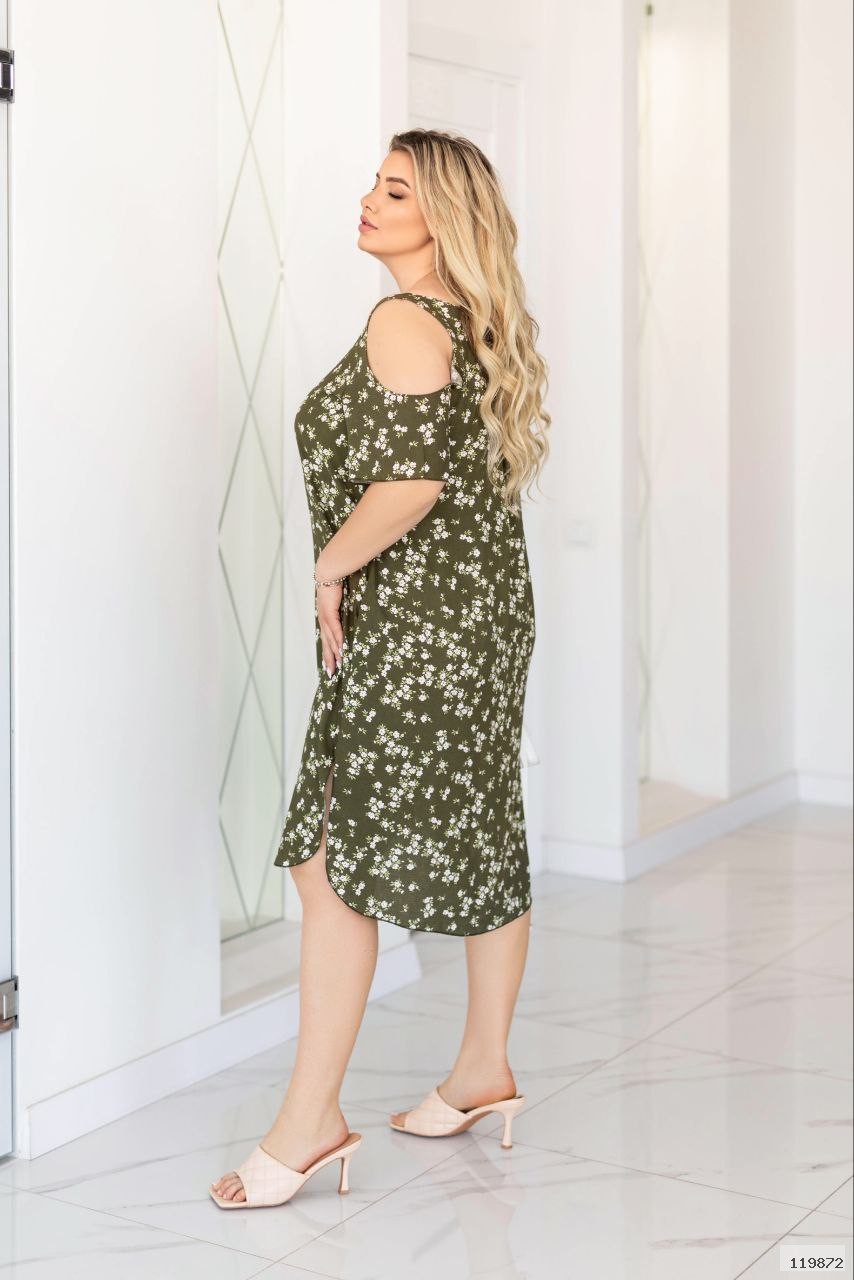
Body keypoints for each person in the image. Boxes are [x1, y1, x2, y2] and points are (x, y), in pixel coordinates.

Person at [210, 128, 551, 1209]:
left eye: (395, 189)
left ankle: (308, 1122)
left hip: (414, 629)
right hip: (482, 619)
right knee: (484, 822)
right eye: (374, 181)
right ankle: (482, 1067)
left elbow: (410, 487)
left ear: (440, 217)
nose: (368, 198)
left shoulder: (402, 319)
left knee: (327, 858)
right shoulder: (473, 324)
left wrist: (327, 568)